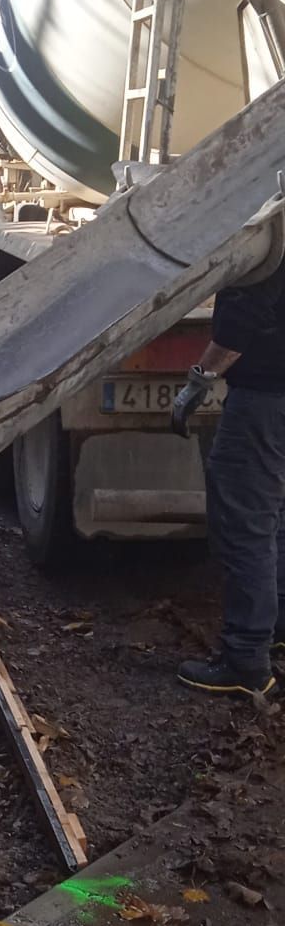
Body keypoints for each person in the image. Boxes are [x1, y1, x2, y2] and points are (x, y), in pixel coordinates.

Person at [172, 255, 285, 697]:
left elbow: (244, 314)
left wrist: (200, 380)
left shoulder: (268, 225)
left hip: (264, 399)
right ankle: (275, 626)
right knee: (276, 517)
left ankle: (245, 660)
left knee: (245, 523)